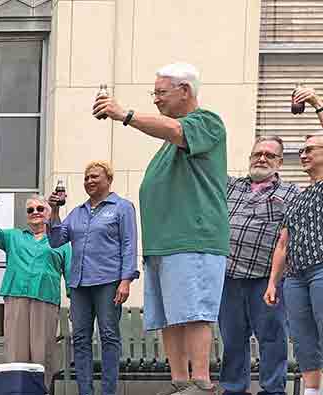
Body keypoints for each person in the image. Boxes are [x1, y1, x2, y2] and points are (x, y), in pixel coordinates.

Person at [93, 62, 228, 395]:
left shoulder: (206, 122)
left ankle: (201, 382)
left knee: (195, 312)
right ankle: (180, 382)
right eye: (152, 93)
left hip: (193, 238)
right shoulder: (169, 142)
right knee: (170, 315)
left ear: (185, 90)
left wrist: (125, 115)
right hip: (164, 244)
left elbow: (175, 131)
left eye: (160, 92)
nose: (155, 99)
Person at [47, 160, 138, 395]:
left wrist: (126, 279)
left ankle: (108, 392)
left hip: (108, 282)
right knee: (80, 339)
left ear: (109, 179)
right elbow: (56, 240)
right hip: (79, 284)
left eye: (95, 176)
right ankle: (85, 392)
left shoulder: (122, 207)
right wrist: (55, 211)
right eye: (86, 178)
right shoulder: (77, 213)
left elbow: (129, 244)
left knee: (108, 336)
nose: (89, 181)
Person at [219, 136, 298, 395]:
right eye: (257, 154)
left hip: (267, 280)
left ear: (279, 162)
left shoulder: (290, 193)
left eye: (269, 155)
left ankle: (274, 390)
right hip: (228, 278)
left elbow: (289, 240)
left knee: (272, 338)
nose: (262, 158)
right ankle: (233, 389)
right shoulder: (230, 186)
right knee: (231, 339)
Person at [0, 193, 70, 386]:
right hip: (16, 297)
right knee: (15, 352)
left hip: (45, 299)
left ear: (49, 212)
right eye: (30, 210)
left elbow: (70, 274)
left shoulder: (62, 242)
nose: (35, 212)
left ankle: (41, 391)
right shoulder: (13, 236)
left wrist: (76, 303)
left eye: (40, 208)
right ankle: (16, 390)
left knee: (42, 353)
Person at [265, 132, 323, 395]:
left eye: (310, 149)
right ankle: (311, 391)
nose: (303, 154)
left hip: (321, 269)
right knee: (302, 339)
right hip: (296, 277)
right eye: (301, 150)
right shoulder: (298, 197)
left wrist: (313, 102)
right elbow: (282, 244)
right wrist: (272, 283)